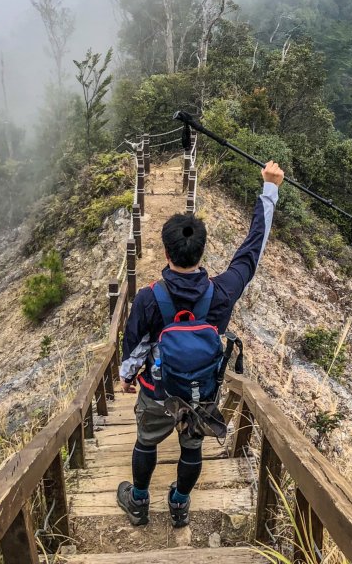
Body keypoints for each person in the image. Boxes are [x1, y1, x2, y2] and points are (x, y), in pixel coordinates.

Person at [116, 160, 285, 527]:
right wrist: (269, 189)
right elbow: (250, 253)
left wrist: (127, 376)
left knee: (146, 442)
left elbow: (134, 345)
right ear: (202, 252)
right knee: (192, 447)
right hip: (199, 393)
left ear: (166, 253)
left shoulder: (149, 297)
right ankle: (179, 504)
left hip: (157, 391)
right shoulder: (221, 293)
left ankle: (140, 501)